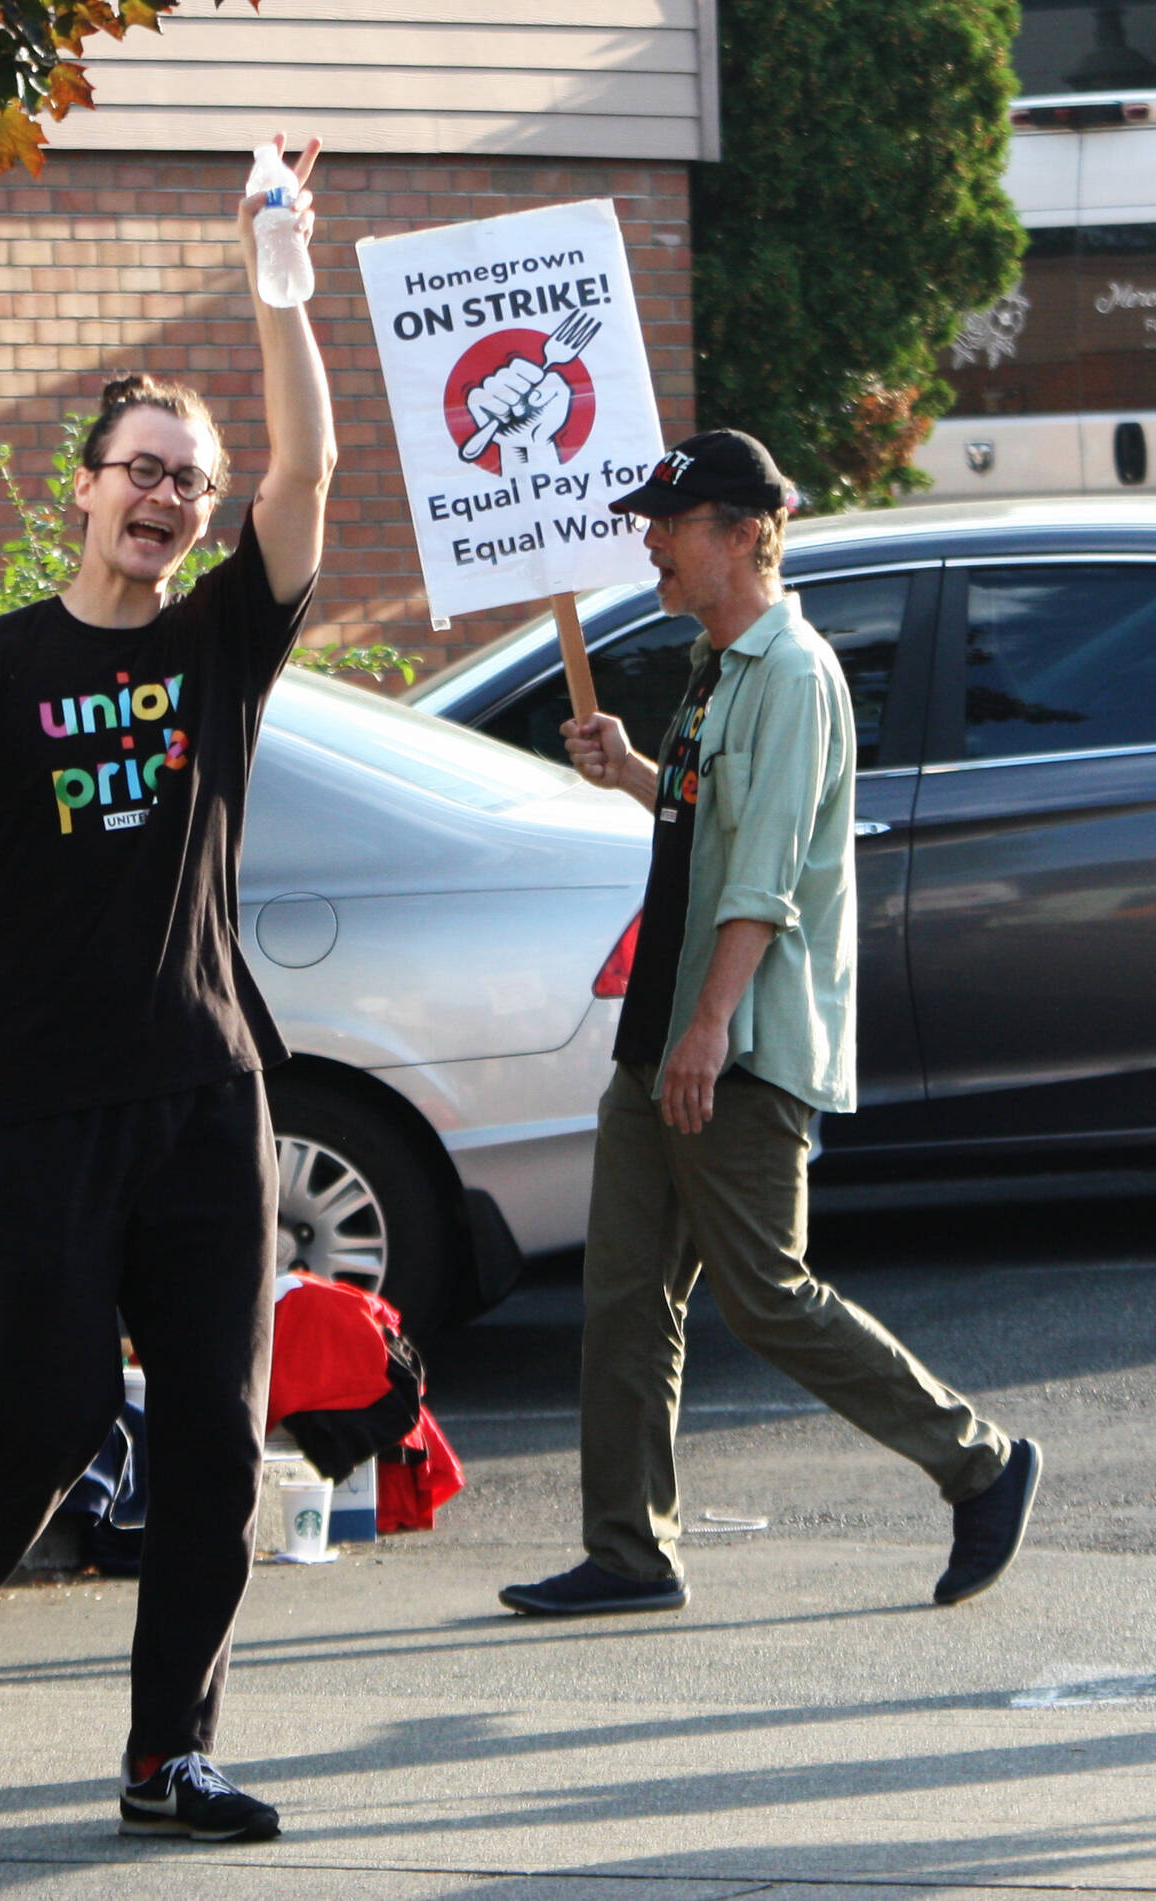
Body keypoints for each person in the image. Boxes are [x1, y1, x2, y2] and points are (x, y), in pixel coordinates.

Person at [0, 133, 334, 1843]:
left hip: (206, 1091)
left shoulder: (214, 646)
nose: (163, 497)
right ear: (83, 486)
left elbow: (309, 475)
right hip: (51, 1104)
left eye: (183, 481)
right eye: (138, 467)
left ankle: (162, 1755)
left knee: (211, 1434)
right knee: (45, 1412)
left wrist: (279, 286)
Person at [501, 429, 1040, 1619]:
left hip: (732, 1042)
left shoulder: (791, 674)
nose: (647, 540)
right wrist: (634, 771)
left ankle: (979, 1462)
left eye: (670, 522)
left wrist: (706, 1030)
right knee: (625, 1293)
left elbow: (766, 881)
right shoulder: (718, 664)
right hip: (667, 1030)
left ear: (740, 534)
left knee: (763, 1290)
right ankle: (627, 1552)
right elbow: (708, 824)